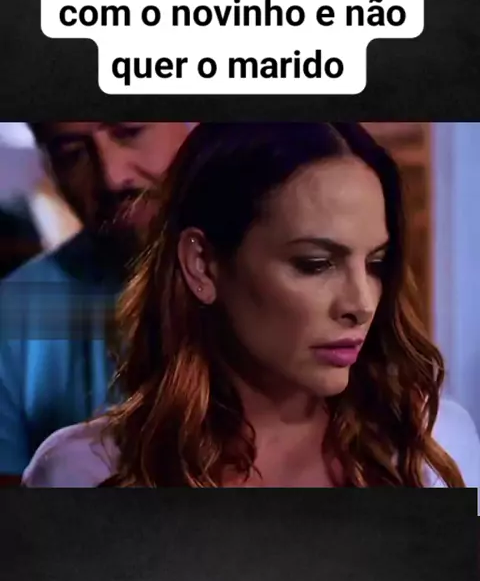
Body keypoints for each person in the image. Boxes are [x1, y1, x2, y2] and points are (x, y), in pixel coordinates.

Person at [22, 122, 480, 490]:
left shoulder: (431, 447)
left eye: (375, 264)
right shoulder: (81, 472)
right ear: (203, 265)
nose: (360, 304)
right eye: (315, 263)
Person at [0, 122, 192, 480]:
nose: (112, 177)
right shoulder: (13, 313)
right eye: (72, 154)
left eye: (130, 131)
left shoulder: (272, 273)